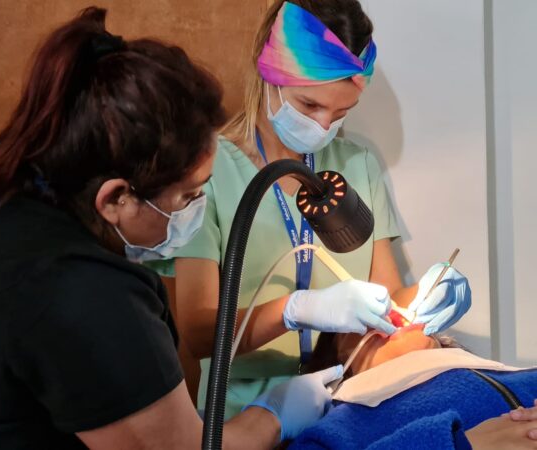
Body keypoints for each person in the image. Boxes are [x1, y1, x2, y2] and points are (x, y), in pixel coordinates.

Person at [0, 8, 343, 449]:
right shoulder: (88, 296)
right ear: (115, 199)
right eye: (188, 196)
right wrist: (275, 414)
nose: (196, 209)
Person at [154, 0, 472, 418]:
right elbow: (197, 333)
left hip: (349, 405)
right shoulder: (208, 173)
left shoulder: (356, 165)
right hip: (244, 417)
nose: (323, 126)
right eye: (309, 105)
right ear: (268, 73)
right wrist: (296, 310)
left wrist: (429, 295)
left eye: (341, 113)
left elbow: (389, 300)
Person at [291, 323, 537, 449]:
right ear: (342, 358)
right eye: (364, 318)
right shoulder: (338, 428)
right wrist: (457, 445)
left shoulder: (519, 375)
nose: (390, 311)